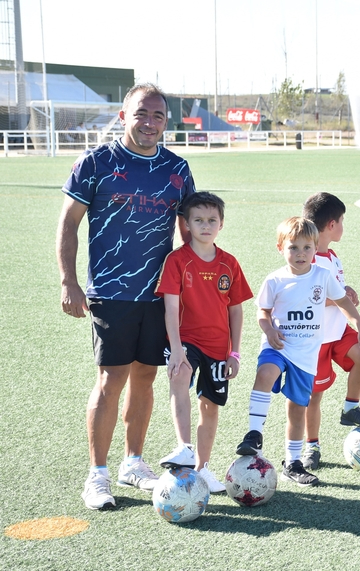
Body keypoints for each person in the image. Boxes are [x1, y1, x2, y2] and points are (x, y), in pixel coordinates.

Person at [57, 83, 196, 510]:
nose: (150, 122)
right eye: (141, 114)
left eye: (157, 115)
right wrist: (68, 281)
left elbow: (189, 232)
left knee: (145, 376)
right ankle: (96, 475)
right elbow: (68, 224)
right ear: (124, 116)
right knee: (111, 378)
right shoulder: (97, 162)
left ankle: (132, 462)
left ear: (165, 121)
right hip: (110, 293)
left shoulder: (178, 168)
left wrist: (192, 288)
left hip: (159, 296)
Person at [234, 217, 360, 488]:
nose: (300, 254)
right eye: (293, 247)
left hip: (306, 354)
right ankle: (253, 434)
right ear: (280, 248)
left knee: (297, 409)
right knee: (265, 373)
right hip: (279, 345)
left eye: (307, 248)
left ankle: (293, 463)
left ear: (315, 247)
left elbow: (343, 300)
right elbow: (262, 311)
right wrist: (269, 330)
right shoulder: (274, 280)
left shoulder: (322, 275)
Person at [154, 192, 253, 493]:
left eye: (212, 220)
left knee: (210, 406)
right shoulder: (177, 260)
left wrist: (234, 353)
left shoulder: (229, 264)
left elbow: (236, 310)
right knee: (180, 375)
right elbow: (170, 308)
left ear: (221, 224)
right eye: (198, 220)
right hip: (186, 340)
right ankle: (184, 446)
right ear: (186, 224)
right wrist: (177, 349)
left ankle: (203, 469)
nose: (205, 225)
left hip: (219, 347)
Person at [299, 192, 360, 471]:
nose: (343, 226)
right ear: (331, 224)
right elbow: (311, 296)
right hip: (316, 339)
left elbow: (337, 293)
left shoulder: (332, 256)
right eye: (342, 221)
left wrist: (347, 293)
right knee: (313, 397)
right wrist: (340, 295)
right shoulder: (305, 257)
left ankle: (350, 408)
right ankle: (312, 446)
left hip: (339, 331)